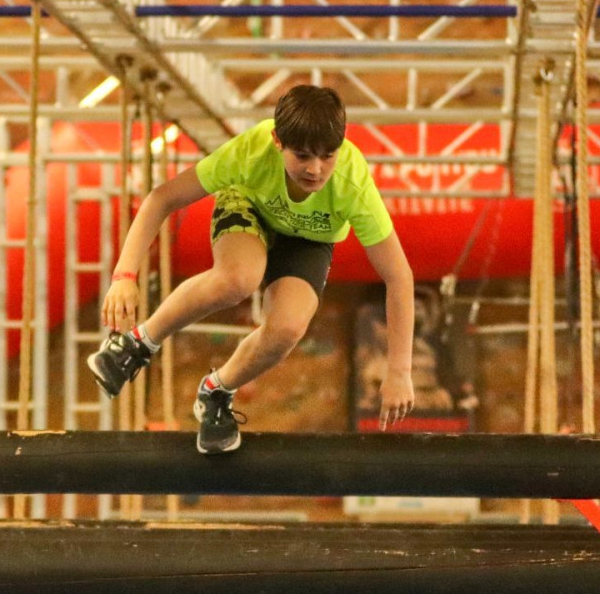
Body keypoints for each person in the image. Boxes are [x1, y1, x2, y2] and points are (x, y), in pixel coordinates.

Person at [87, 84, 416, 452]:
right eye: (302, 156)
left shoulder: (352, 182)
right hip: (249, 207)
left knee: (288, 328)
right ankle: (136, 344)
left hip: (310, 237)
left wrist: (399, 371)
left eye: (327, 156)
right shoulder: (251, 151)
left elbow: (398, 277)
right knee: (238, 278)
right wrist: (124, 276)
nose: (315, 169)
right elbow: (162, 198)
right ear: (277, 141)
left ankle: (216, 391)